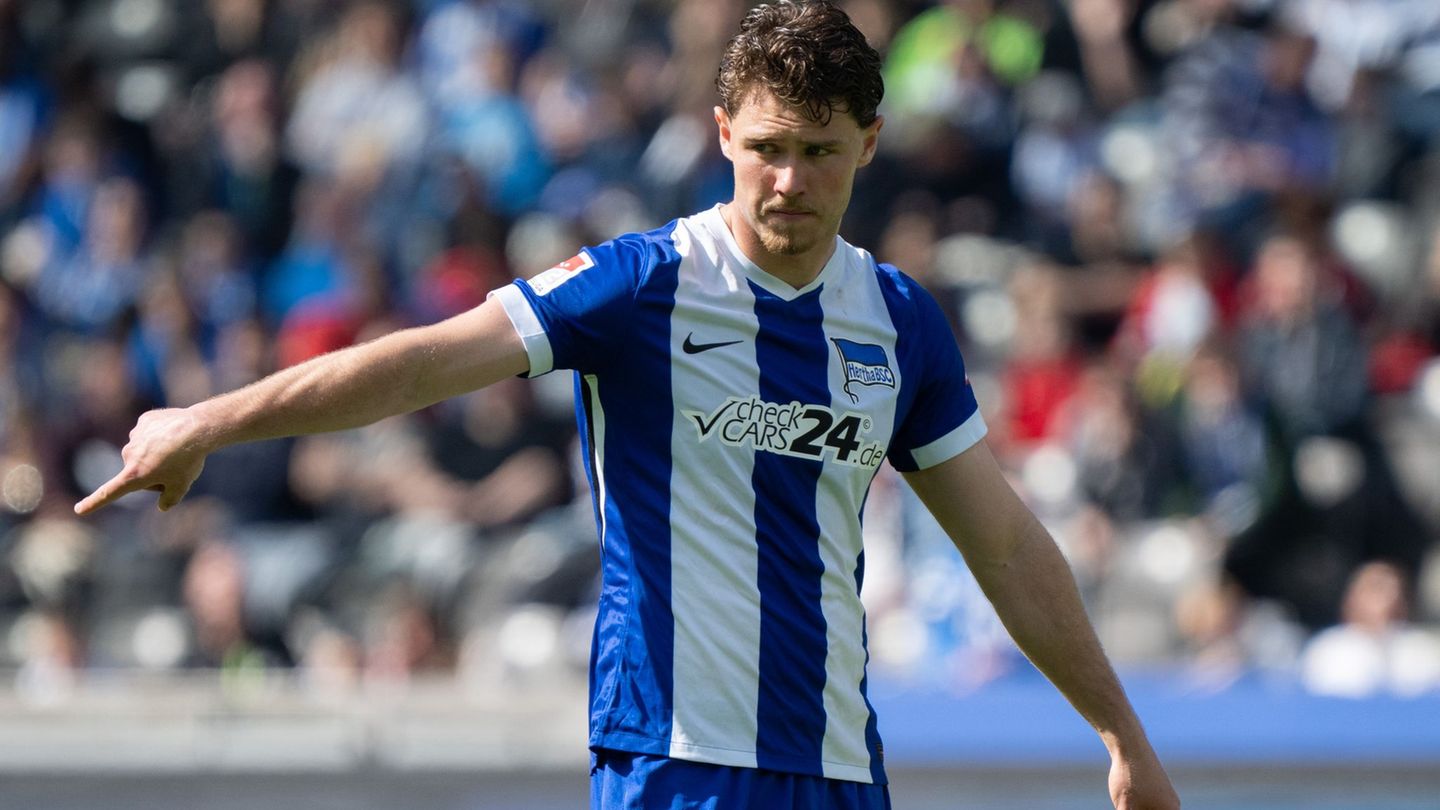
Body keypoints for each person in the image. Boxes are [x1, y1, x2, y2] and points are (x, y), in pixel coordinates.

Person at [74, 2, 1180, 808]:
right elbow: (418, 363)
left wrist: (1120, 731)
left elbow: (1006, 546)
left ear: (870, 146)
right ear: (721, 135)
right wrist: (208, 419)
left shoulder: (897, 320)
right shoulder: (645, 284)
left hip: (841, 768)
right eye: (767, 150)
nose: (789, 181)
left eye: (820, 153)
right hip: (672, 763)